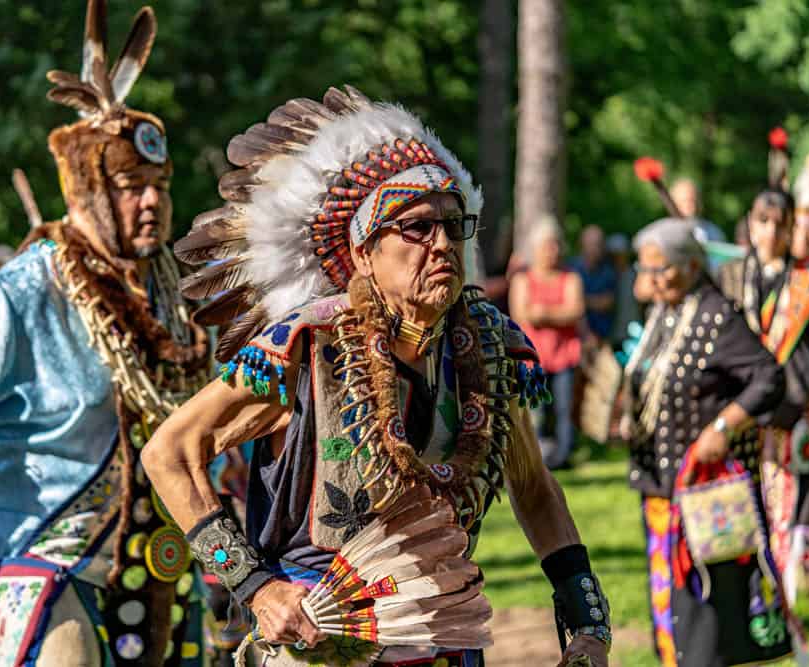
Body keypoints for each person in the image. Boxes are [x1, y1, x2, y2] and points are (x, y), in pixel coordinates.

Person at [142, 85, 612, 667]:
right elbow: (169, 452)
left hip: (446, 635)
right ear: (364, 252)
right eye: (414, 228)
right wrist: (256, 588)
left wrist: (586, 617)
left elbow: (535, 490)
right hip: (320, 639)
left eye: (452, 225)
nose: (441, 244)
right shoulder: (306, 347)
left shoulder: (486, 350)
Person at [0, 3, 212, 665]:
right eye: (131, 185)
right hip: (35, 557)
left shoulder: (174, 298)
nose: (151, 201)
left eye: (160, 184)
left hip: (156, 564)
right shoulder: (16, 295)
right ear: (85, 192)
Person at [623, 217, 801, 667]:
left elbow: (768, 377)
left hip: (705, 493)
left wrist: (723, 428)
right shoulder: (664, 313)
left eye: (660, 269)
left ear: (691, 265)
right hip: (659, 487)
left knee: (706, 610)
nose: (652, 281)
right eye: (646, 271)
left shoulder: (717, 317)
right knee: (672, 606)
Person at [718, 188, 809, 602]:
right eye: (763, 221)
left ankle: (782, 600)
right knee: (740, 506)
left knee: (786, 510)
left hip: (791, 413)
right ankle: (741, 595)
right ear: (751, 223)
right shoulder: (730, 276)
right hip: (739, 412)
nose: (771, 231)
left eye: (781, 223)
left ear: (792, 227)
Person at [510, 221, 585, 469]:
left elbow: (575, 310)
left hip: (565, 354)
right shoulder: (522, 280)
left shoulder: (571, 277)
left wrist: (543, 313)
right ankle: (538, 457)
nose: (550, 251)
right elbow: (521, 314)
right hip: (532, 357)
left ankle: (563, 455)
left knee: (564, 410)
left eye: (554, 245)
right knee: (535, 411)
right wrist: (555, 313)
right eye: (545, 246)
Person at [570, 224, 616, 342]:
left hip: (602, 338)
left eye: (599, 244)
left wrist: (580, 301)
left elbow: (607, 303)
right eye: (591, 243)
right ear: (582, 244)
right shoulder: (571, 268)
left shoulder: (608, 271)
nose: (595, 248)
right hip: (575, 339)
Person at [606, 233, 639, 347]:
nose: (618, 258)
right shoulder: (606, 275)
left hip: (632, 335)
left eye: (620, 254)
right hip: (609, 337)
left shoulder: (636, 275)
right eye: (614, 255)